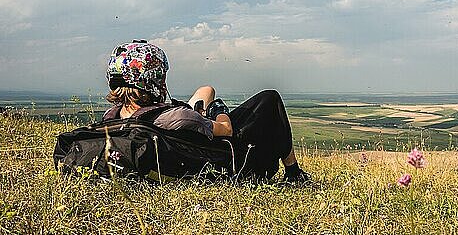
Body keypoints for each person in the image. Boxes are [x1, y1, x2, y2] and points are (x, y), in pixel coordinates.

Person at [103, 40, 309, 183]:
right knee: (269, 99)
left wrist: (199, 115)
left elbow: (205, 91)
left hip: (184, 148)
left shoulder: (113, 116)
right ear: (153, 78)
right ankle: (293, 172)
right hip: (228, 160)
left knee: (206, 91)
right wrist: (218, 109)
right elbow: (226, 129)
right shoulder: (178, 117)